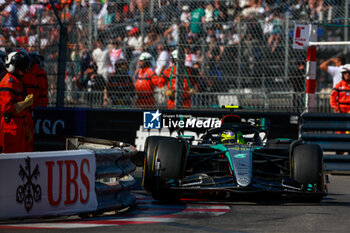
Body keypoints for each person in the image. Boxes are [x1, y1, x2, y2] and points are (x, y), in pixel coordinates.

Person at [0, 50, 33, 153]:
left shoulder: (18, 81)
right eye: (22, 67)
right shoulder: (8, 82)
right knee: (10, 159)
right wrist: (25, 103)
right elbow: (7, 108)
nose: (24, 70)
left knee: (20, 159)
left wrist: (26, 127)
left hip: (20, 125)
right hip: (10, 126)